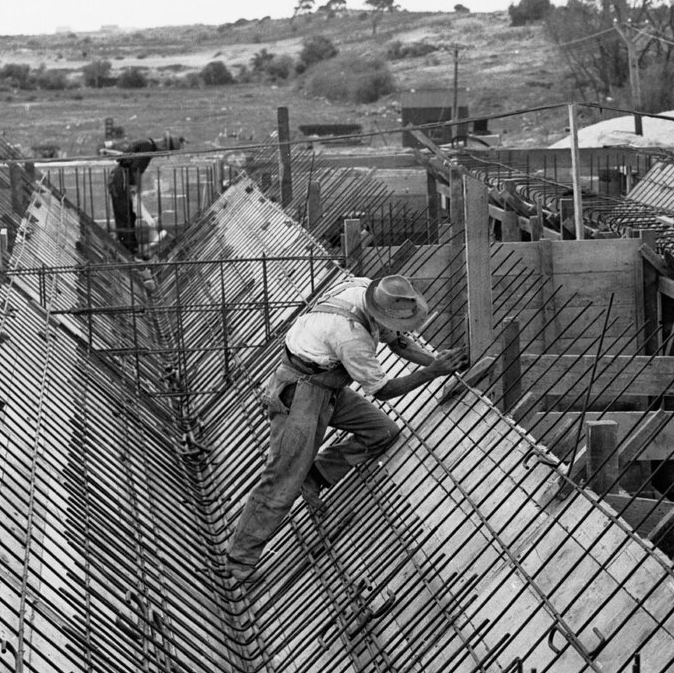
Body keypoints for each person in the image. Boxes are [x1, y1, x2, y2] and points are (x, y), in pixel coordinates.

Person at [224, 274, 467, 584]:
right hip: (301, 394)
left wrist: (436, 360)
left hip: (327, 383)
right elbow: (382, 390)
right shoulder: (352, 337)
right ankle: (239, 559)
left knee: (383, 431)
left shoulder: (364, 289)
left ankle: (314, 476)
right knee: (281, 479)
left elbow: (398, 342)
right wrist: (433, 372)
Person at [107, 133, 183, 255]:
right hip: (121, 179)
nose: (162, 155)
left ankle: (131, 251)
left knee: (128, 216)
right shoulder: (147, 147)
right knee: (125, 218)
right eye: (165, 152)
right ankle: (128, 253)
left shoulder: (146, 144)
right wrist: (135, 189)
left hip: (120, 177)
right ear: (164, 146)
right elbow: (135, 170)